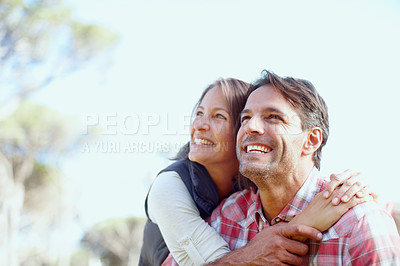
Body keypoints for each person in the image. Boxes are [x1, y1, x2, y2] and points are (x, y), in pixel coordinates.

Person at [139, 78, 372, 266]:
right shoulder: (170, 186)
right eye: (246, 118)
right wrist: (305, 223)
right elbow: (216, 260)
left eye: (219, 116)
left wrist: (354, 197)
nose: (199, 125)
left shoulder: (249, 188)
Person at [206, 70, 400, 265]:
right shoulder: (228, 216)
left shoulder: (359, 223)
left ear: (311, 140)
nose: (250, 126)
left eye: (273, 117)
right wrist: (244, 257)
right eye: (245, 118)